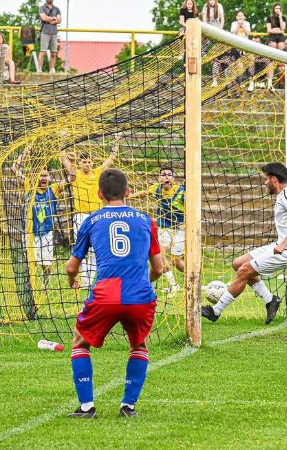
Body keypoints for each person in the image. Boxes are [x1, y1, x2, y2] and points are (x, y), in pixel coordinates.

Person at [66, 169, 164, 419]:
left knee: (80, 342)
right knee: (139, 344)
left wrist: (72, 280)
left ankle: (87, 407)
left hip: (106, 294)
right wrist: (144, 282)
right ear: (128, 192)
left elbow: (71, 266)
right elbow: (160, 268)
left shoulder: (92, 220)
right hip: (139, 295)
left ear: (99, 194)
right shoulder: (145, 220)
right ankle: (128, 406)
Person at [202, 163, 287, 324]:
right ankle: (270, 300)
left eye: (265, 179)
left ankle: (215, 311)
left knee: (244, 271)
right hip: (280, 245)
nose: (264, 183)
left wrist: (284, 244)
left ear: (274, 179)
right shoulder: (283, 195)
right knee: (238, 263)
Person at [62, 143, 119, 288]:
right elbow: (63, 159)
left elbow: (111, 159)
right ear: (80, 163)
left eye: (89, 161)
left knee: (95, 250)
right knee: (80, 248)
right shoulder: (75, 174)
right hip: (80, 216)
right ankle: (77, 277)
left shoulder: (98, 172)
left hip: (96, 216)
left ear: (92, 162)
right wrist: (62, 144)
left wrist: (116, 141)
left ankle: (87, 282)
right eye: (84, 161)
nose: (87, 164)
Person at [12, 145, 66, 285]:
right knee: (31, 263)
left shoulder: (54, 189)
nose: (43, 178)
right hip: (30, 233)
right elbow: (15, 169)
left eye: (45, 175)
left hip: (47, 233)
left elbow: (72, 177)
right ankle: (31, 287)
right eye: (40, 175)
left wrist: (63, 154)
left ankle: (45, 284)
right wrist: (24, 154)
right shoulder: (29, 186)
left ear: (49, 177)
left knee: (46, 265)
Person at [130, 167, 186, 298]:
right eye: (163, 175)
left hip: (179, 230)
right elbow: (144, 193)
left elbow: (191, 208)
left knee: (176, 261)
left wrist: (187, 223)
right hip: (164, 228)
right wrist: (130, 196)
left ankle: (194, 280)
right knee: (160, 254)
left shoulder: (181, 192)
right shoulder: (157, 188)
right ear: (160, 178)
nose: (166, 177)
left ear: (173, 178)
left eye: (169, 175)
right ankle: (173, 285)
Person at [38, 0, 62, 74]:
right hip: (44, 32)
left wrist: (51, 19)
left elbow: (59, 20)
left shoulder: (57, 9)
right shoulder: (42, 8)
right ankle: (39, 70)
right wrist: (54, 18)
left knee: (53, 53)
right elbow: (44, 18)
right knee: (43, 52)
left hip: (54, 33)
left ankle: (51, 70)